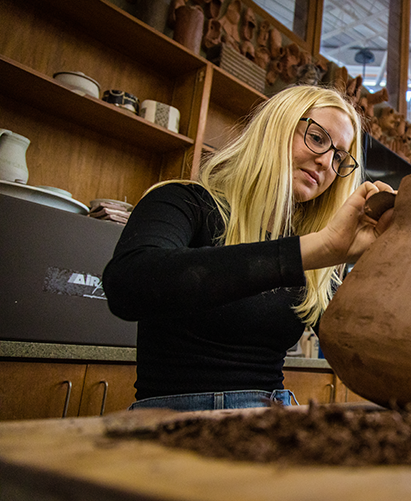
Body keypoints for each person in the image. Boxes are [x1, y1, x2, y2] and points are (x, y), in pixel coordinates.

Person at [103, 85, 394, 412]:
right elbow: (130, 284)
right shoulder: (184, 202)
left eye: (340, 156)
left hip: (270, 419)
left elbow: (363, 354)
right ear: (276, 127)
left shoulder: (315, 254)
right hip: (170, 418)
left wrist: (387, 260)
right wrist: (315, 248)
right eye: (316, 138)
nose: (327, 161)